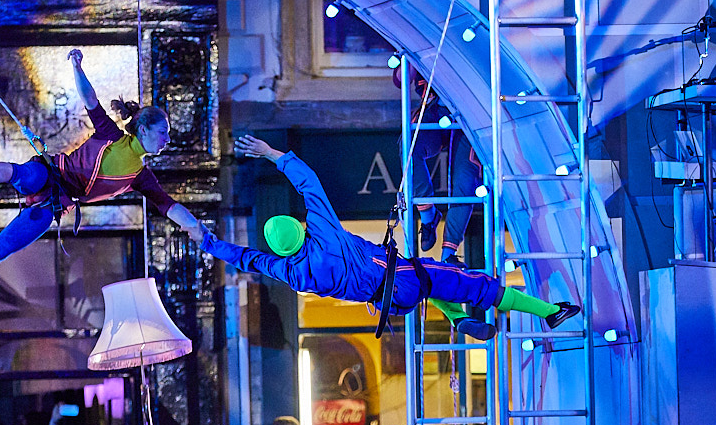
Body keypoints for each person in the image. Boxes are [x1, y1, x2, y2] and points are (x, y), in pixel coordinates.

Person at [0, 48, 206, 320]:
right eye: (163, 133)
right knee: (26, 176)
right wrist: (77, 67)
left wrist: (195, 227)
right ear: (143, 129)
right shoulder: (112, 136)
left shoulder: (141, 178)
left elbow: (169, 206)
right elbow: (90, 99)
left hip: (58, 204)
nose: (168, 140)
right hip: (53, 172)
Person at [201, 136, 579, 341]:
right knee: (472, 284)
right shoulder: (323, 231)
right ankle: (549, 312)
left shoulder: (292, 274)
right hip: (401, 276)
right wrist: (271, 154)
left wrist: (210, 244)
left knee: (437, 284)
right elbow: (308, 182)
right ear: (300, 228)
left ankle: (459, 321)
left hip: (386, 304)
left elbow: (248, 259)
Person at [397, 68, 481, 262]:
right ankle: (428, 215)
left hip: (470, 113)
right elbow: (401, 80)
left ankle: (448, 256)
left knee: (465, 179)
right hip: (434, 109)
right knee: (409, 146)